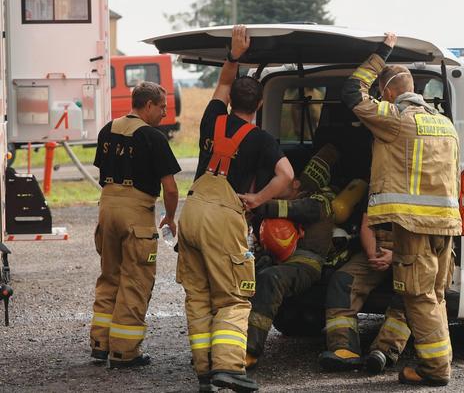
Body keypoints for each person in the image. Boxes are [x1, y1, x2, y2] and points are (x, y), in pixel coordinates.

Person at [176, 25, 294, 393]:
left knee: (198, 295)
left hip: (192, 210)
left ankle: (203, 370)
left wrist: (234, 53)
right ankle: (228, 368)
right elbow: (287, 175)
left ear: (230, 102)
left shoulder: (212, 119)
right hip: (223, 215)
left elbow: (224, 84)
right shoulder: (261, 139)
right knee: (232, 296)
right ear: (258, 105)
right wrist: (257, 200)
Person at [340, 33, 461, 386]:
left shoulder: (395, 118)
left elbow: (352, 93)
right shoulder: (444, 124)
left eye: (381, 92)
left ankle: (437, 370)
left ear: (389, 92)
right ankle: (438, 362)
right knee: (433, 296)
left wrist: (382, 53)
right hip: (446, 227)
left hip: (414, 227)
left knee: (417, 296)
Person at [90, 81, 181, 368]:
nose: (165, 113)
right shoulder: (153, 137)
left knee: (109, 278)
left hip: (107, 208)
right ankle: (124, 351)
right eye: (162, 107)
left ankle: (100, 344)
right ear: (148, 105)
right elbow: (171, 187)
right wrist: (170, 216)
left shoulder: (107, 130)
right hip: (136, 214)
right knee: (135, 280)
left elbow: (103, 171)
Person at [245, 144, 338, 368]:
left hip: (305, 265)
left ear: (296, 182)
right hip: (277, 260)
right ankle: (223, 346)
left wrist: (261, 205)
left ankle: (249, 351)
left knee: (270, 280)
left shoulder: (323, 198)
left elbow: (303, 210)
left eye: (280, 182)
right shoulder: (274, 201)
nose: (273, 187)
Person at [319, 212, 411, 374]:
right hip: (378, 248)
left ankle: (384, 350)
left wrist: (396, 256)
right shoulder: (378, 186)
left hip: (412, 252)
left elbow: (426, 239)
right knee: (343, 280)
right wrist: (372, 255)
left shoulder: (422, 190)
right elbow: (367, 224)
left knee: (410, 288)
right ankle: (344, 349)